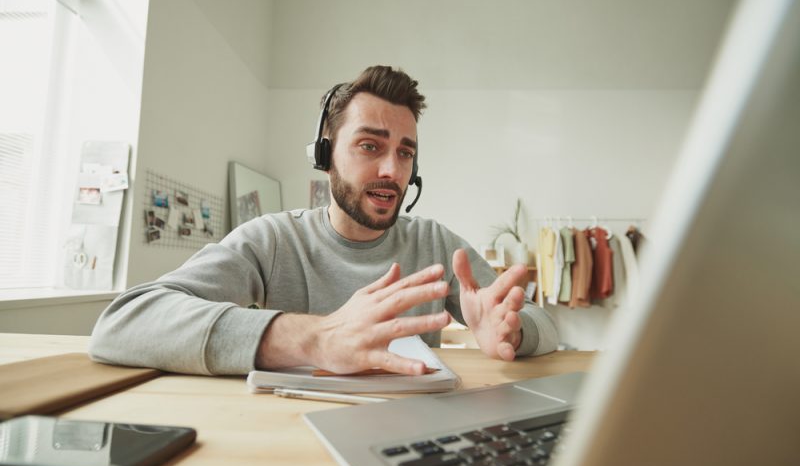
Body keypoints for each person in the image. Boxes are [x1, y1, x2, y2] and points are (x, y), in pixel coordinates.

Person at [89, 66, 558, 376]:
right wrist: (314, 339)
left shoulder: (435, 245)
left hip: (410, 434)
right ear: (324, 154)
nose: (392, 171)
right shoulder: (273, 240)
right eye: (370, 146)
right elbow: (124, 323)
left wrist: (510, 329)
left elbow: (548, 326)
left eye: (405, 152)